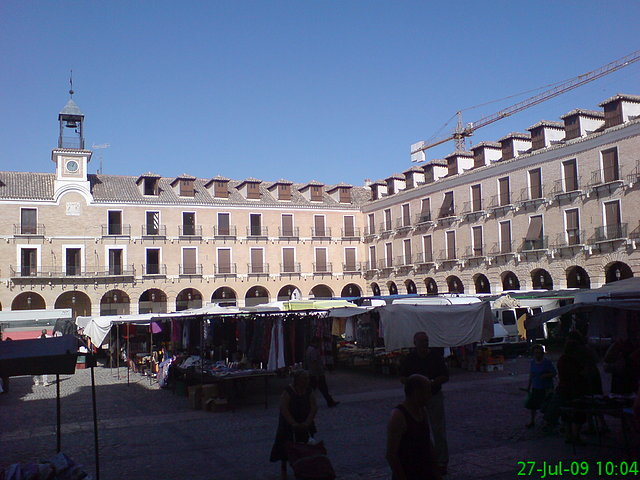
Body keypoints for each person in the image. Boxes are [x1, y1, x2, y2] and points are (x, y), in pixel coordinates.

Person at [399, 332, 449, 475]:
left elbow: (445, 376)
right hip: (415, 399)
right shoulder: (410, 359)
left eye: (426, 341)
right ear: (415, 343)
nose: (424, 344)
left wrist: (432, 383)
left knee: (438, 430)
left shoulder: (435, 357)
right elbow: (402, 377)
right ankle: (423, 460)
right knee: (417, 431)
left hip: (433, 396)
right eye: (421, 341)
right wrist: (412, 383)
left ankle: (441, 461)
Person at [386, 374, 442, 480]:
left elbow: (426, 441)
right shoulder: (398, 416)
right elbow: (391, 454)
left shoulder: (422, 411)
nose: (430, 395)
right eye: (428, 391)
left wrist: (436, 470)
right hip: (409, 473)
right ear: (417, 392)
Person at [270, 369, 318, 480]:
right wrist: (293, 423)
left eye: (308, 378)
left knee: (307, 446)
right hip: (288, 424)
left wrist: (307, 422)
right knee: (285, 447)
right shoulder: (289, 391)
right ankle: (284, 468)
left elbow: (313, 407)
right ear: (298, 380)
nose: (307, 381)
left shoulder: (309, 391)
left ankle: (305, 468)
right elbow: (283, 408)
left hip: (305, 421)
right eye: (304, 378)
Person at [557, 339, 589, 444]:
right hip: (574, 389)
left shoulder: (562, 359)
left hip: (564, 389)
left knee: (567, 413)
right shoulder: (573, 360)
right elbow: (578, 374)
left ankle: (568, 435)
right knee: (577, 412)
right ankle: (575, 436)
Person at [525, 344, 556, 428]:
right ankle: (532, 421)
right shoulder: (533, 363)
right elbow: (531, 375)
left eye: (539, 353)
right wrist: (529, 386)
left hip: (546, 387)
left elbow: (554, 373)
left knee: (546, 406)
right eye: (536, 353)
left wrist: (546, 375)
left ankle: (547, 422)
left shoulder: (547, 362)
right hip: (536, 387)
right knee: (533, 405)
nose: (537, 355)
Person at [304, 337, 339, 408]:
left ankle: (330, 401)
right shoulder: (313, 350)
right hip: (317, 374)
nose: (320, 344)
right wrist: (317, 374)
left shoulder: (309, 349)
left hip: (314, 373)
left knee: (316, 389)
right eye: (319, 343)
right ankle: (329, 402)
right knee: (320, 389)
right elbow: (314, 362)